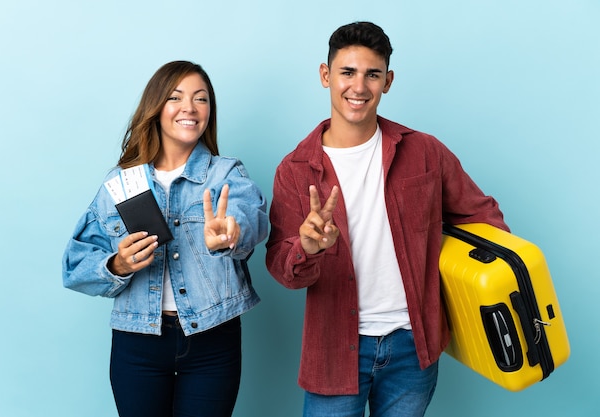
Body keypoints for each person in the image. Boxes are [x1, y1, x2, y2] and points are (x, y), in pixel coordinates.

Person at [265, 22, 509, 417]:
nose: (358, 87)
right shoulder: (294, 169)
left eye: (372, 74)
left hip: (414, 347)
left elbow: (484, 218)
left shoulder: (424, 152)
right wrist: (306, 249)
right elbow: (281, 266)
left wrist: (478, 281)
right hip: (335, 350)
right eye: (347, 72)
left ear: (388, 81)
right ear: (326, 76)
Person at [62, 61, 268, 417]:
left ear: (208, 112)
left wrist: (231, 233)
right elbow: (75, 264)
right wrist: (117, 265)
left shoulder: (226, 173)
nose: (189, 107)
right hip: (137, 342)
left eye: (200, 99)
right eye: (176, 97)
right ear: (156, 108)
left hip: (213, 338)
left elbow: (252, 218)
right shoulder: (121, 183)